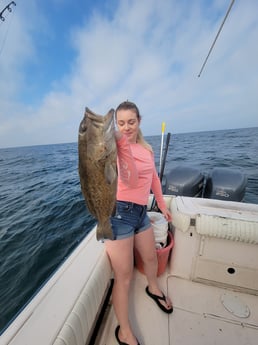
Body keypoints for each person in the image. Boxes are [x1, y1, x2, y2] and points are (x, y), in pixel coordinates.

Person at [105, 101, 173, 345]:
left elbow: (153, 177)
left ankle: (153, 287)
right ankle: (124, 331)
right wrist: (120, 144)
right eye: (120, 123)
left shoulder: (147, 149)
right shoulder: (114, 148)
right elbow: (131, 181)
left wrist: (162, 206)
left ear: (139, 121)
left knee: (151, 257)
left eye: (131, 122)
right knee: (124, 277)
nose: (126, 127)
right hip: (118, 215)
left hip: (141, 213)